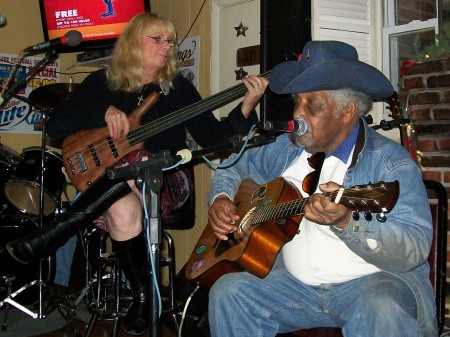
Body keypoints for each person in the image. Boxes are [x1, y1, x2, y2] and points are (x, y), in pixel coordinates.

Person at [7, 12, 268, 336]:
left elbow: (215, 140)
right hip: (114, 189)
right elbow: (57, 125)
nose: (166, 45)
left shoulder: (178, 89)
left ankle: (60, 228)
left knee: (138, 161)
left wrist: (246, 105)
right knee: (122, 205)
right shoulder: (102, 84)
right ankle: (144, 293)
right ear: (133, 43)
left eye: (169, 40)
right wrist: (103, 111)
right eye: (157, 39)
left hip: (167, 180)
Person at [204, 40, 436, 337]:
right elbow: (232, 165)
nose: (299, 113)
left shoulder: (391, 165)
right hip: (295, 286)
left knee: (382, 306)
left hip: (371, 285)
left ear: (347, 111)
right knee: (229, 292)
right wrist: (221, 198)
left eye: (313, 104)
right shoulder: (285, 149)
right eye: (297, 101)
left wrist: (346, 222)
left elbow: (414, 246)